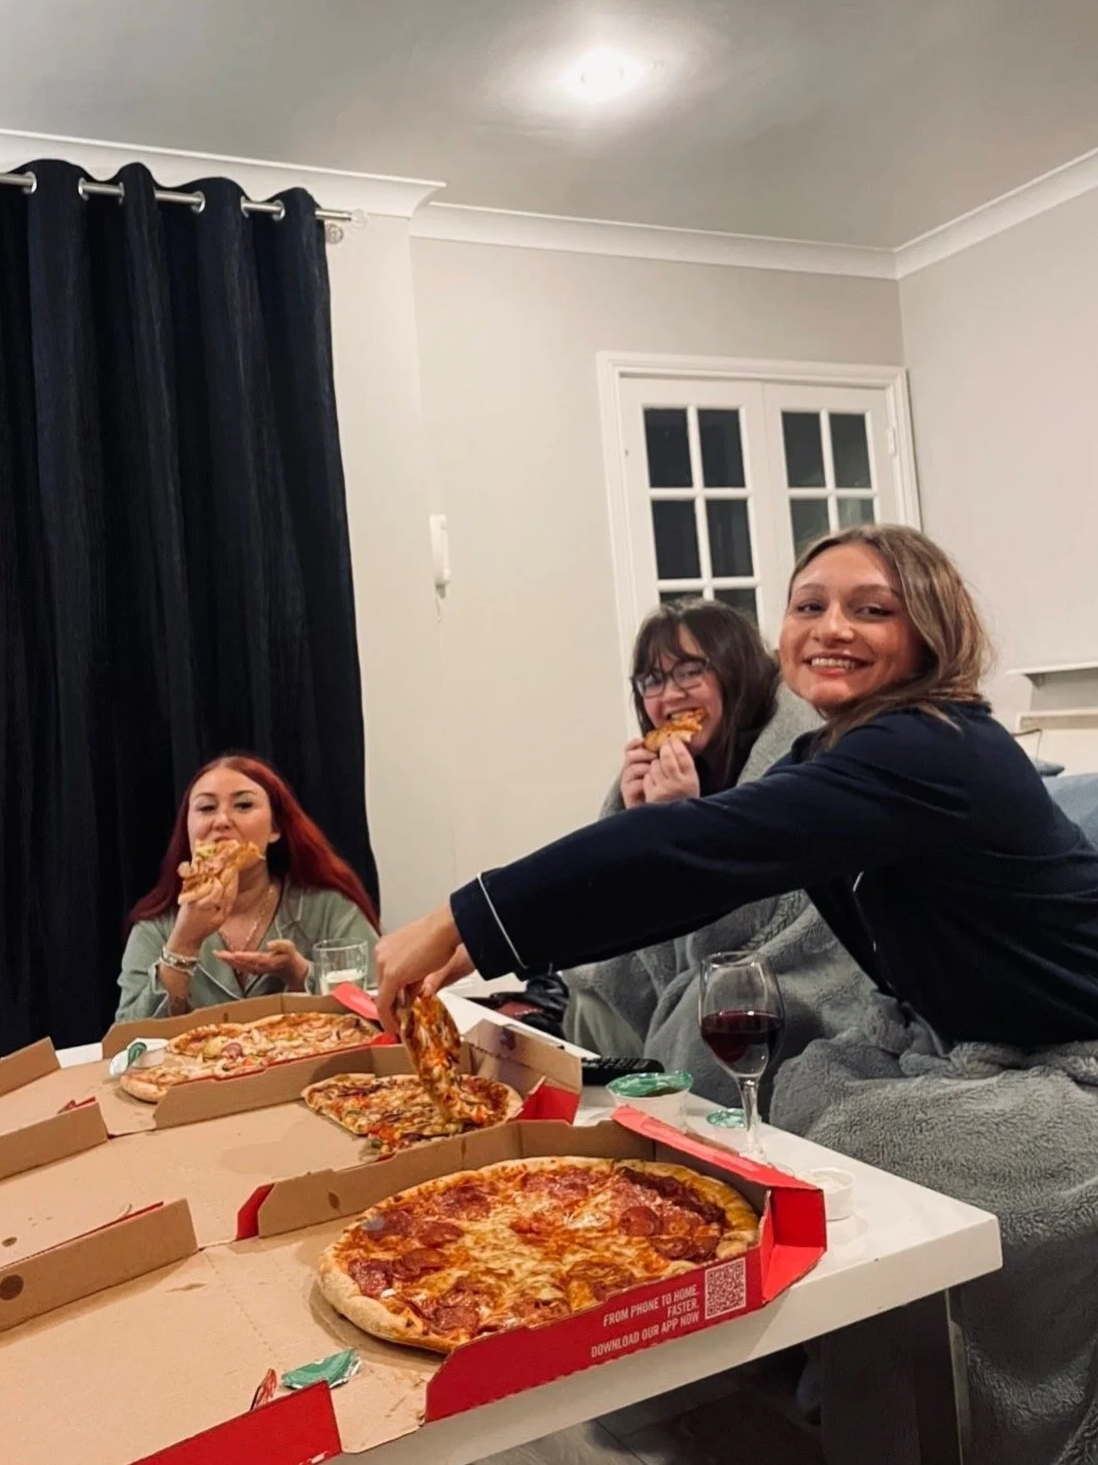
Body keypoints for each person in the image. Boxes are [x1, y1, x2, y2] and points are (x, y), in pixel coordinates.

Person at [374, 523, 1098, 1047]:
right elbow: (681, 882)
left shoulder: (931, 743)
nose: (830, 628)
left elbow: (694, 847)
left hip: (1065, 1039)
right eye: (808, 606)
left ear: (930, 633)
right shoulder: (825, 752)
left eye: (872, 609)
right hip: (973, 1038)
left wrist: (461, 914)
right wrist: (497, 940)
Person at [562, 598, 871, 1091]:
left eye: (689, 672)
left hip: (807, 971)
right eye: (653, 680)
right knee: (591, 993)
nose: (669, 696)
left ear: (736, 672)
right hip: (691, 971)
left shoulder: (797, 759)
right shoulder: (665, 765)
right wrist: (643, 828)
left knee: (699, 1019)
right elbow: (613, 910)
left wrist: (685, 826)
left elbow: (742, 938)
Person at [117, 754, 379, 1020]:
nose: (221, 821)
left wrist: (300, 973)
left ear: (275, 828)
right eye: (207, 808)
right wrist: (183, 943)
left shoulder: (327, 907)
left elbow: (383, 1006)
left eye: (243, 805)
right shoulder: (157, 927)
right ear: (188, 829)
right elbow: (128, 1045)